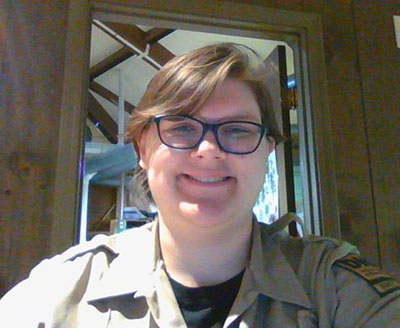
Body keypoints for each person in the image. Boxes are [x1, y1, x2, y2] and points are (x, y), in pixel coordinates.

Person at [1, 43, 399, 327]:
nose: (209, 150)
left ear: (268, 152)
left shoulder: (335, 290)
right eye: (182, 127)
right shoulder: (60, 292)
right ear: (142, 148)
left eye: (238, 130)